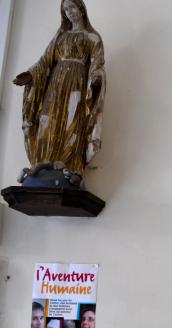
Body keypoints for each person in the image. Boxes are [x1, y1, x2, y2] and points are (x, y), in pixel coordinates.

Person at [13, 0, 105, 188]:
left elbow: (98, 63)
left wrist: (95, 77)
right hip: (55, 86)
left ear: (81, 8)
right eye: (65, 10)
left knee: (73, 122)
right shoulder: (60, 37)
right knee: (48, 122)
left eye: (71, 7)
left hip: (77, 85)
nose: (69, 12)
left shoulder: (92, 37)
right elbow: (45, 61)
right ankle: (43, 162)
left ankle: (70, 165)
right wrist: (30, 75)